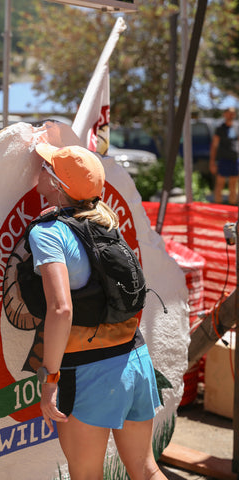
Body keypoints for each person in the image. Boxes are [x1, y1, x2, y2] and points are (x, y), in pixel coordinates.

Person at [27, 143, 167, 480]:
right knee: (146, 470)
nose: (39, 172)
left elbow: (61, 309)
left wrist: (51, 379)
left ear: (56, 184)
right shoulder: (105, 221)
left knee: (87, 475)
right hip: (134, 360)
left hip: (88, 372)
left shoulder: (48, 234)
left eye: (46, 168)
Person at [209, 107, 239, 205]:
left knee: (233, 185)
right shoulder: (220, 128)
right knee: (220, 184)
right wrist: (212, 162)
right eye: (229, 113)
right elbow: (214, 146)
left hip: (234, 160)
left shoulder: (236, 127)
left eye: (233, 113)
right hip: (223, 160)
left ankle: (232, 210)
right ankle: (218, 208)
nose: (231, 115)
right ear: (225, 114)